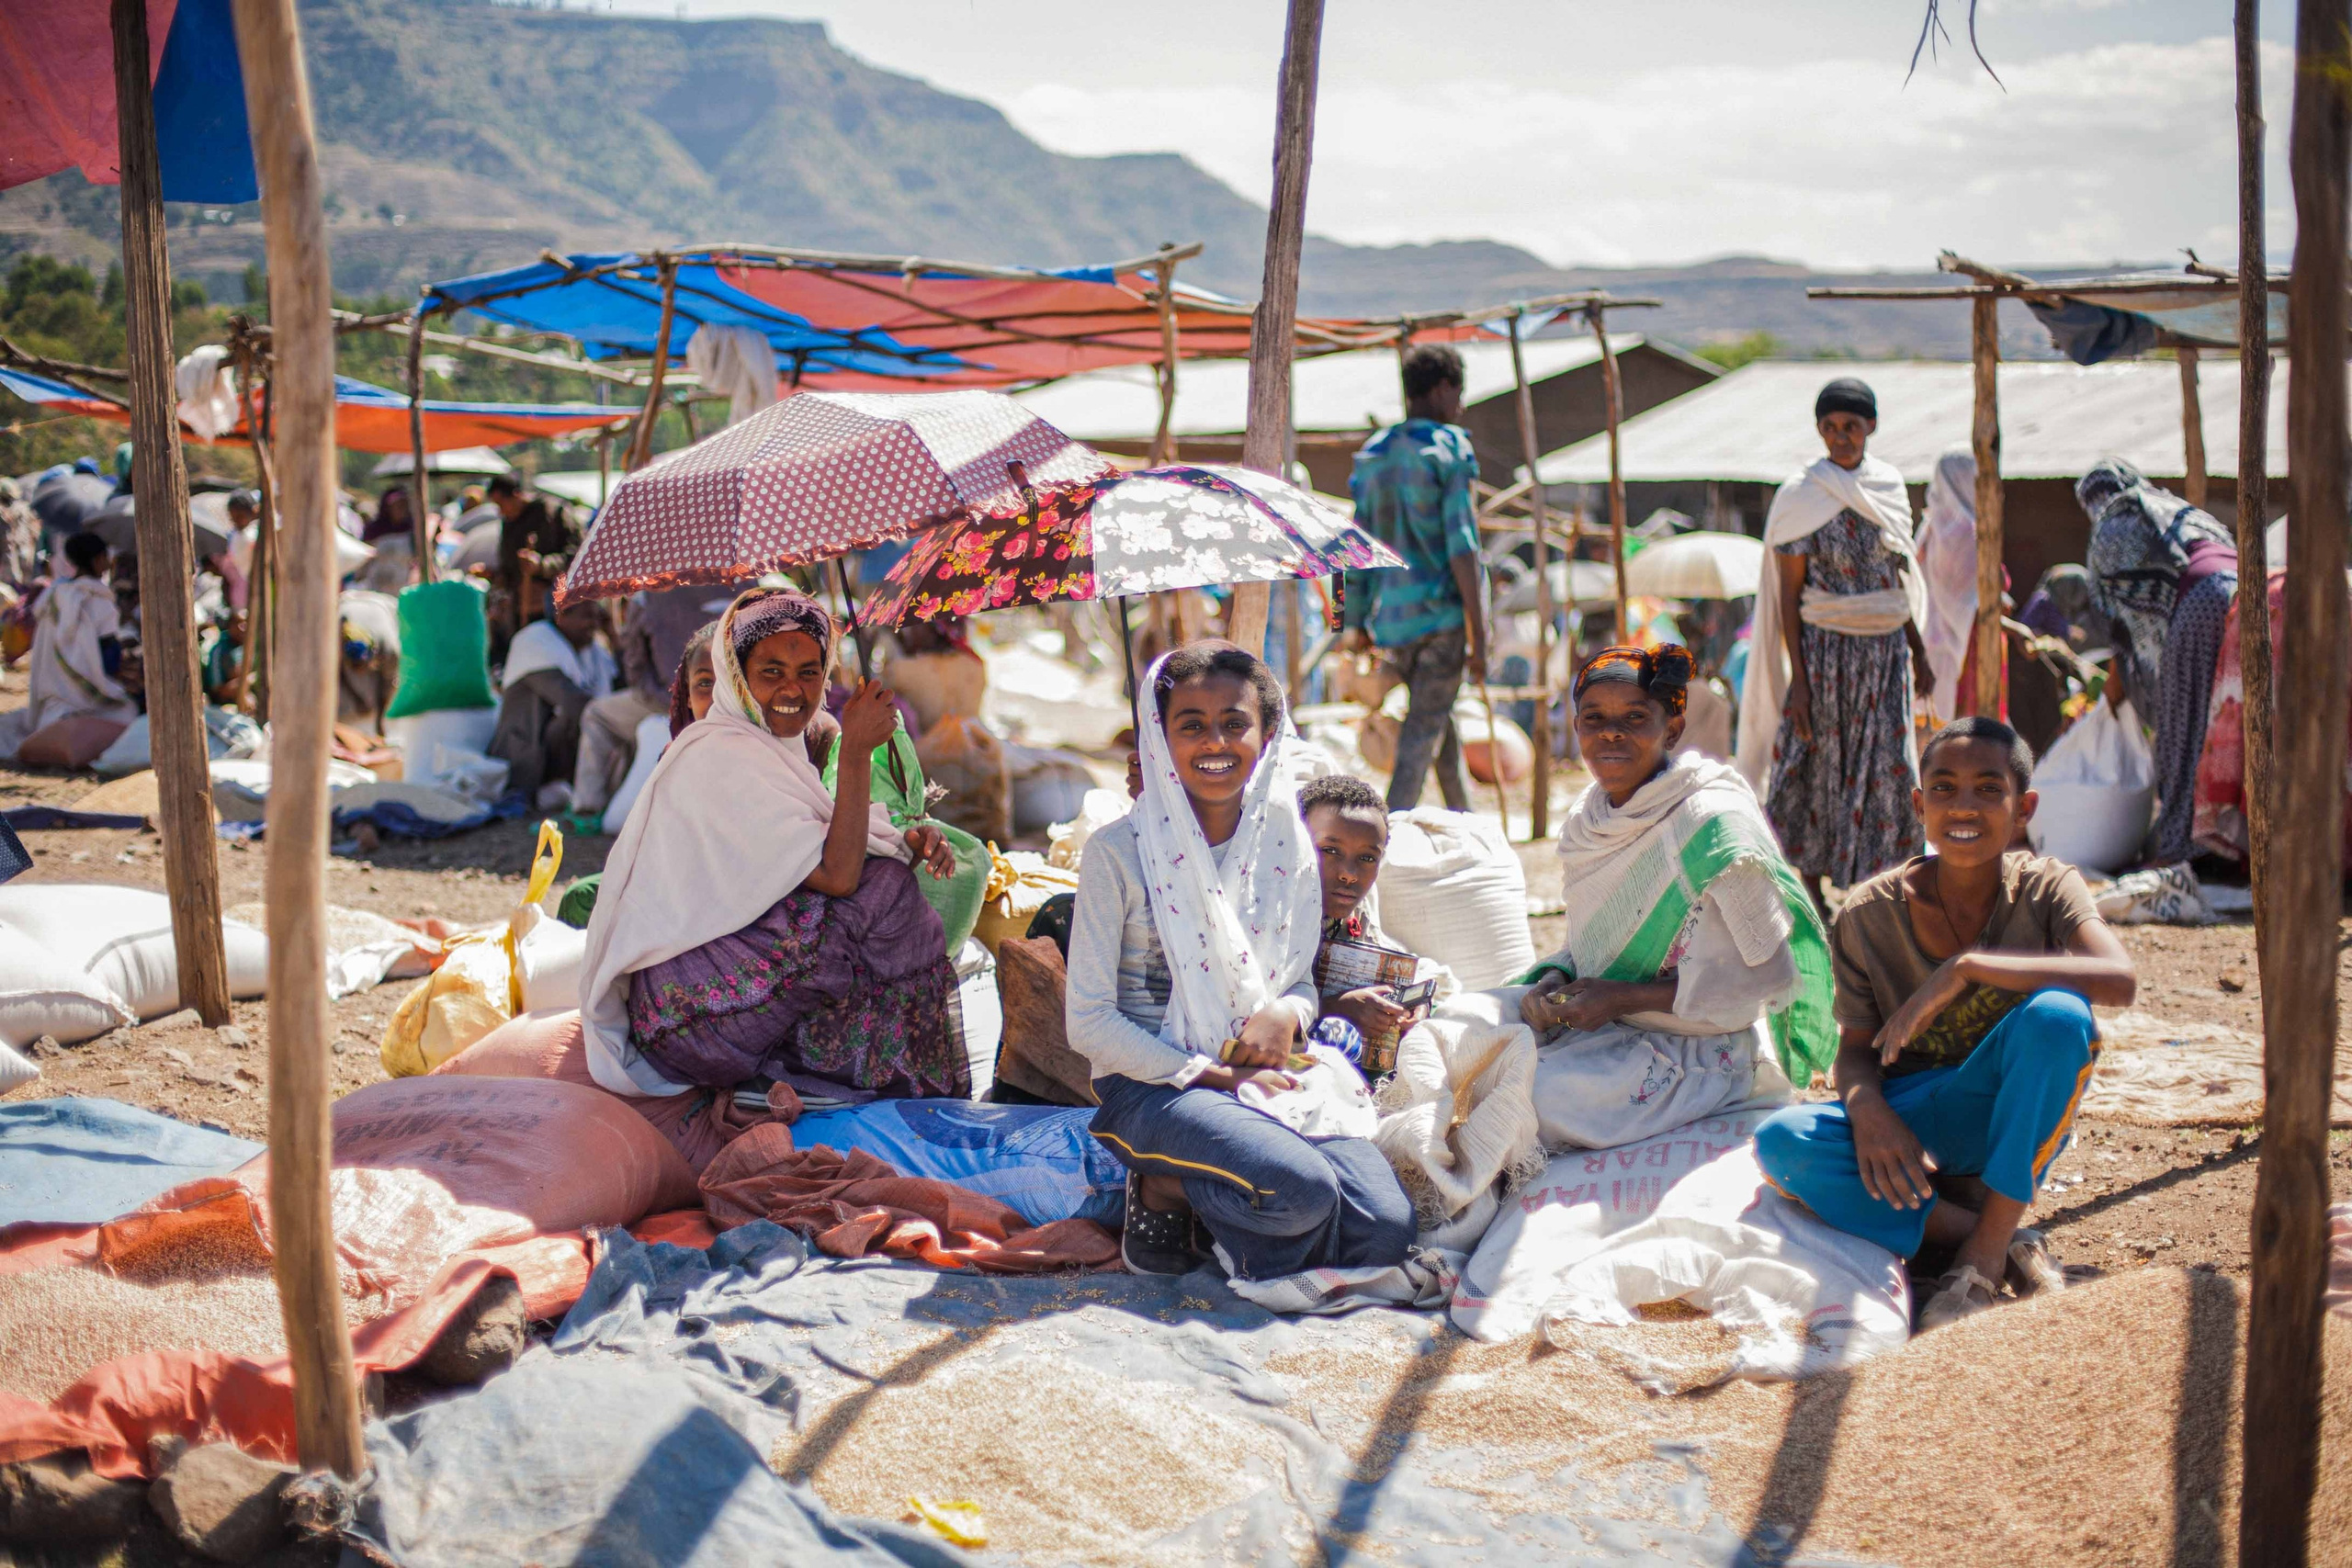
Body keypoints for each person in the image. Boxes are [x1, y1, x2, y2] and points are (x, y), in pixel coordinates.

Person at [1755, 718, 2133, 1328]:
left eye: (1989, 789)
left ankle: (1979, 1260)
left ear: (2023, 808)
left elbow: (2120, 978)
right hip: (1912, 1117)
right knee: (1783, 1144)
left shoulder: (2046, 886)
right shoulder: (1866, 915)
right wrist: (1870, 1112)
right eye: (1944, 788)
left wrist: (1969, 966)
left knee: (2061, 1015)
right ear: (1918, 803)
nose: (1964, 806)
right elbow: (1853, 1052)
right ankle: (2007, 1235)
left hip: (2007, 1109)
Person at [1070, 641, 1416, 1279]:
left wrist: (1287, 1009)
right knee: (1302, 1192)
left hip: (1266, 1069)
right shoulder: (1117, 854)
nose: (1215, 742)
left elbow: (1297, 982)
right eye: (1191, 725)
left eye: (1235, 722)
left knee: (1386, 1235)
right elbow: (1088, 1023)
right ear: (1158, 735)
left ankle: (1220, 1205)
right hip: (1155, 1086)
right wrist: (1212, 1076)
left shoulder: (1288, 847)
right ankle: (1163, 1189)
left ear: (1268, 731)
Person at [579, 587, 965, 1102]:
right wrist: (853, 753)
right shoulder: (717, 753)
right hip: (684, 1022)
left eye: (809, 672)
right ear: (737, 678)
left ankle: (813, 1064)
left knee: (883, 885)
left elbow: (807, 852)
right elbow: (838, 876)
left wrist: (903, 840)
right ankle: (838, 1068)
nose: (794, 689)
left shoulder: (768, 749)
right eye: (771, 672)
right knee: (880, 891)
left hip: (704, 1001)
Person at [1518, 645, 1832, 1146]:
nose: (1611, 732)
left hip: (1700, 1052)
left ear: (1673, 728)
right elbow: (1597, 948)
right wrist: (1557, 977)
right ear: (1575, 728)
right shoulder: (1589, 820)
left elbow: (1765, 979)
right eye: (1593, 718)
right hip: (1607, 1027)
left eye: (1635, 717)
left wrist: (1623, 997)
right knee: (1464, 1033)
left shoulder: (1711, 822)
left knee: (1530, 1100)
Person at [1736, 377, 1933, 899]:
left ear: (1871, 426)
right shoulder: (1802, 496)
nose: (1840, 436)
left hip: (1885, 652)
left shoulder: (1888, 488)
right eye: (1830, 427)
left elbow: (1898, 577)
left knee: (1890, 767)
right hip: (1824, 656)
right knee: (1820, 764)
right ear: (1819, 431)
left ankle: (1883, 887)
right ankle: (1811, 888)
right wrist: (1799, 681)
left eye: (1851, 425)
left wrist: (1918, 648)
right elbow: (1789, 597)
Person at [1341, 343, 1488, 812]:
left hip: (1393, 624)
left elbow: (1354, 549)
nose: (1460, 406)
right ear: (1443, 389)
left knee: (1435, 728)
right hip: (1442, 622)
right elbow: (1463, 547)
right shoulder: (1448, 449)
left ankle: (1469, 827)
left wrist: (1352, 622)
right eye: (1459, 393)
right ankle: (1383, 839)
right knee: (1417, 745)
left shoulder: (1373, 455)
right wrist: (1479, 635)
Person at [2076, 458, 2237, 867]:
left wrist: (2117, 698)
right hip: (2242, 593)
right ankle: (2236, 842)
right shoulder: (2175, 509)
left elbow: (2121, 630)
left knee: (2183, 730)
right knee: (2230, 721)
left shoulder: (2110, 528)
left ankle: (2185, 848)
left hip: (2199, 604)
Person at [1297, 773, 1438, 1072]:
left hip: (1361, 1070)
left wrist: (1413, 1005)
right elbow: (1247, 1010)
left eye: (1367, 858)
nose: (1349, 873)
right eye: (1330, 851)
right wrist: (1335, 1008)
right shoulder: (1268, 918)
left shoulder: (1355, 921)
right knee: (1335, 1035)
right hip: (1281, 1060)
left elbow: (1398, 966)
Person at [0, 532, 135, 761]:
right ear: (97, 560)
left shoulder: (54, 595)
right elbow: (107, 658)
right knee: (129, 711)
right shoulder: (98, 600)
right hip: (91, 699)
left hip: (52, 699)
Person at [488, 597, 617, 808]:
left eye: (597, 617)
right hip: (525, 757)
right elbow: (575, 704)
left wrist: (613, 636)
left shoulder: (592, 651)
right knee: (584, 717)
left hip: (553, 756)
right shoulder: (534, 640)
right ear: (561, 616)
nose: (595, 624)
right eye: (587, 616)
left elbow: (622, 689)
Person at [489, 474, 579, 643]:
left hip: (560, 610)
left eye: (501, 504)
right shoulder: (508, 524)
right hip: (523, 609)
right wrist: (496, 576)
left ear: (516, 495)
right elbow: (509, 567)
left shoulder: (553, 513)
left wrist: (542, 566)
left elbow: (576, 556)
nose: (500, 511)